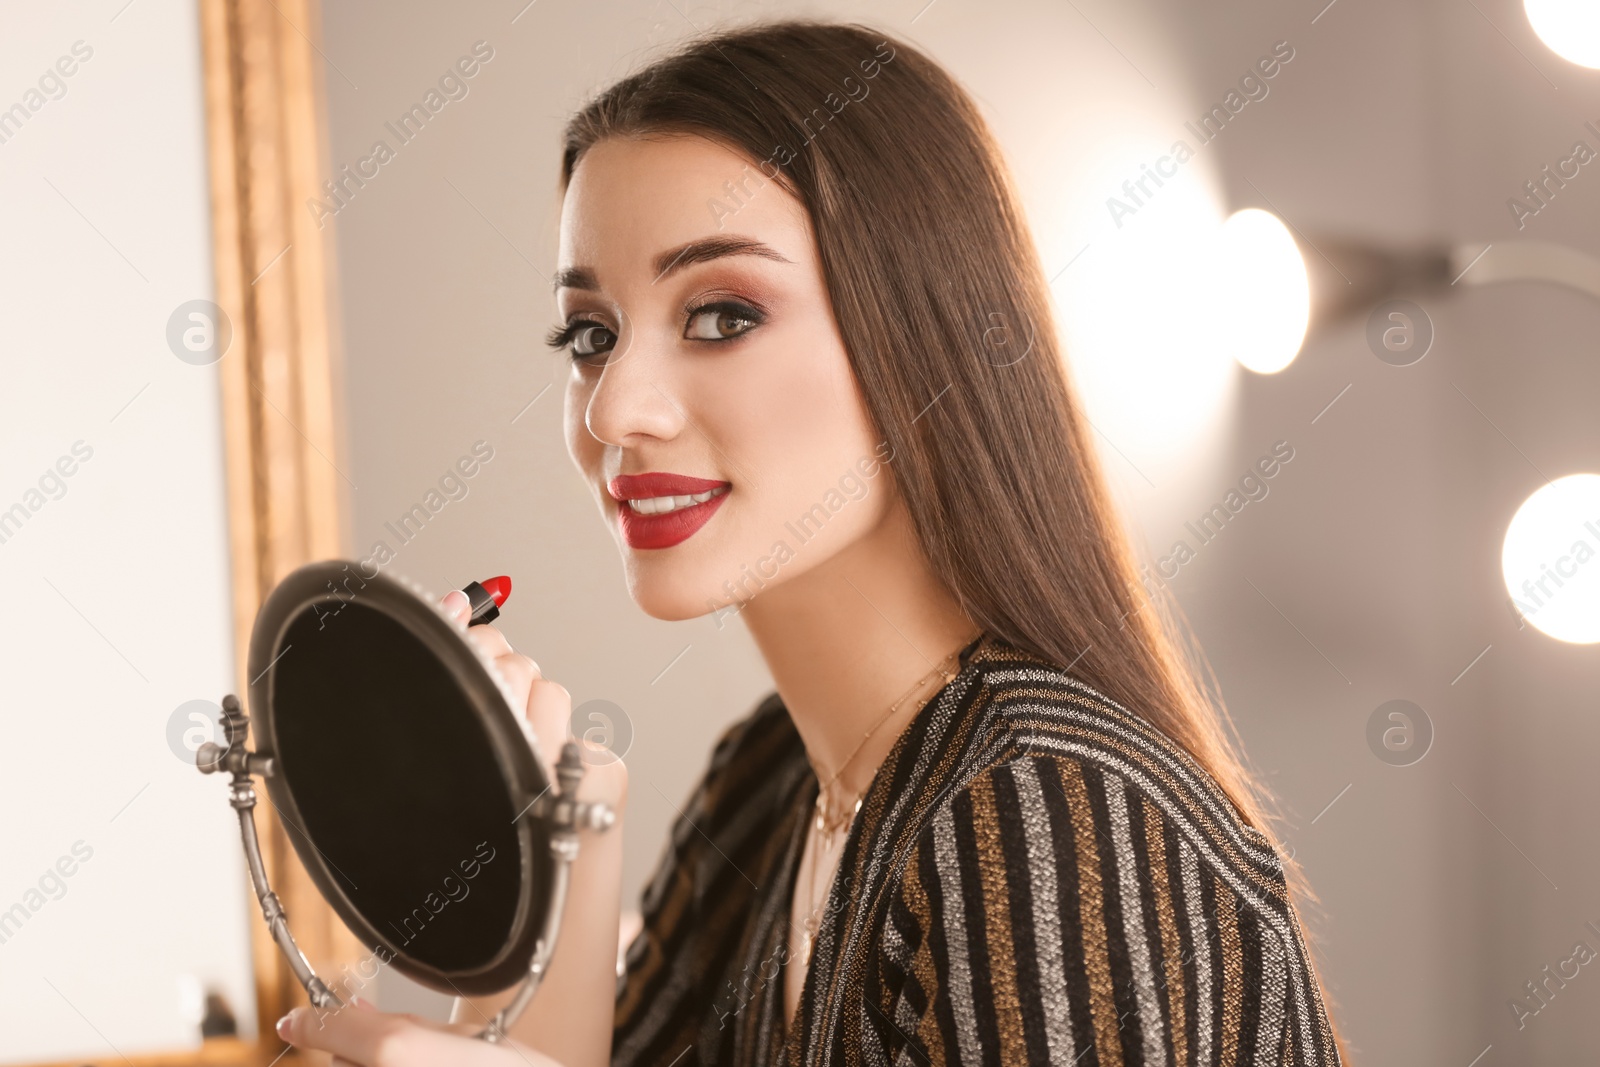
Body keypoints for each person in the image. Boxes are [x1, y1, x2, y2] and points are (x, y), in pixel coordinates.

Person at [278, 18, 1346, 1067]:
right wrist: (558, 825)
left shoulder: (1046, 810)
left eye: (721, 314)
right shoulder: (765, 789)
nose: (616, 411)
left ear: (916, 333)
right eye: (591, 336)